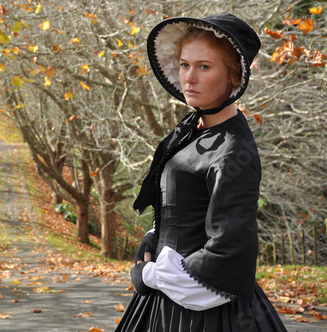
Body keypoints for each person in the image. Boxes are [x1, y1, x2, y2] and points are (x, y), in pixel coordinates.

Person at [116, 14, 288, 332]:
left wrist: (149, 275)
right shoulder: (193, 130)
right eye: (184, 65)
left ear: (233, 76)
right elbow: (187, 205)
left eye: (204, 67)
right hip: (164, 301)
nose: (189, 78)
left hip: (205, 311)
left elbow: (228, 254)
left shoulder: (233, 150)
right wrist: (155, 235)